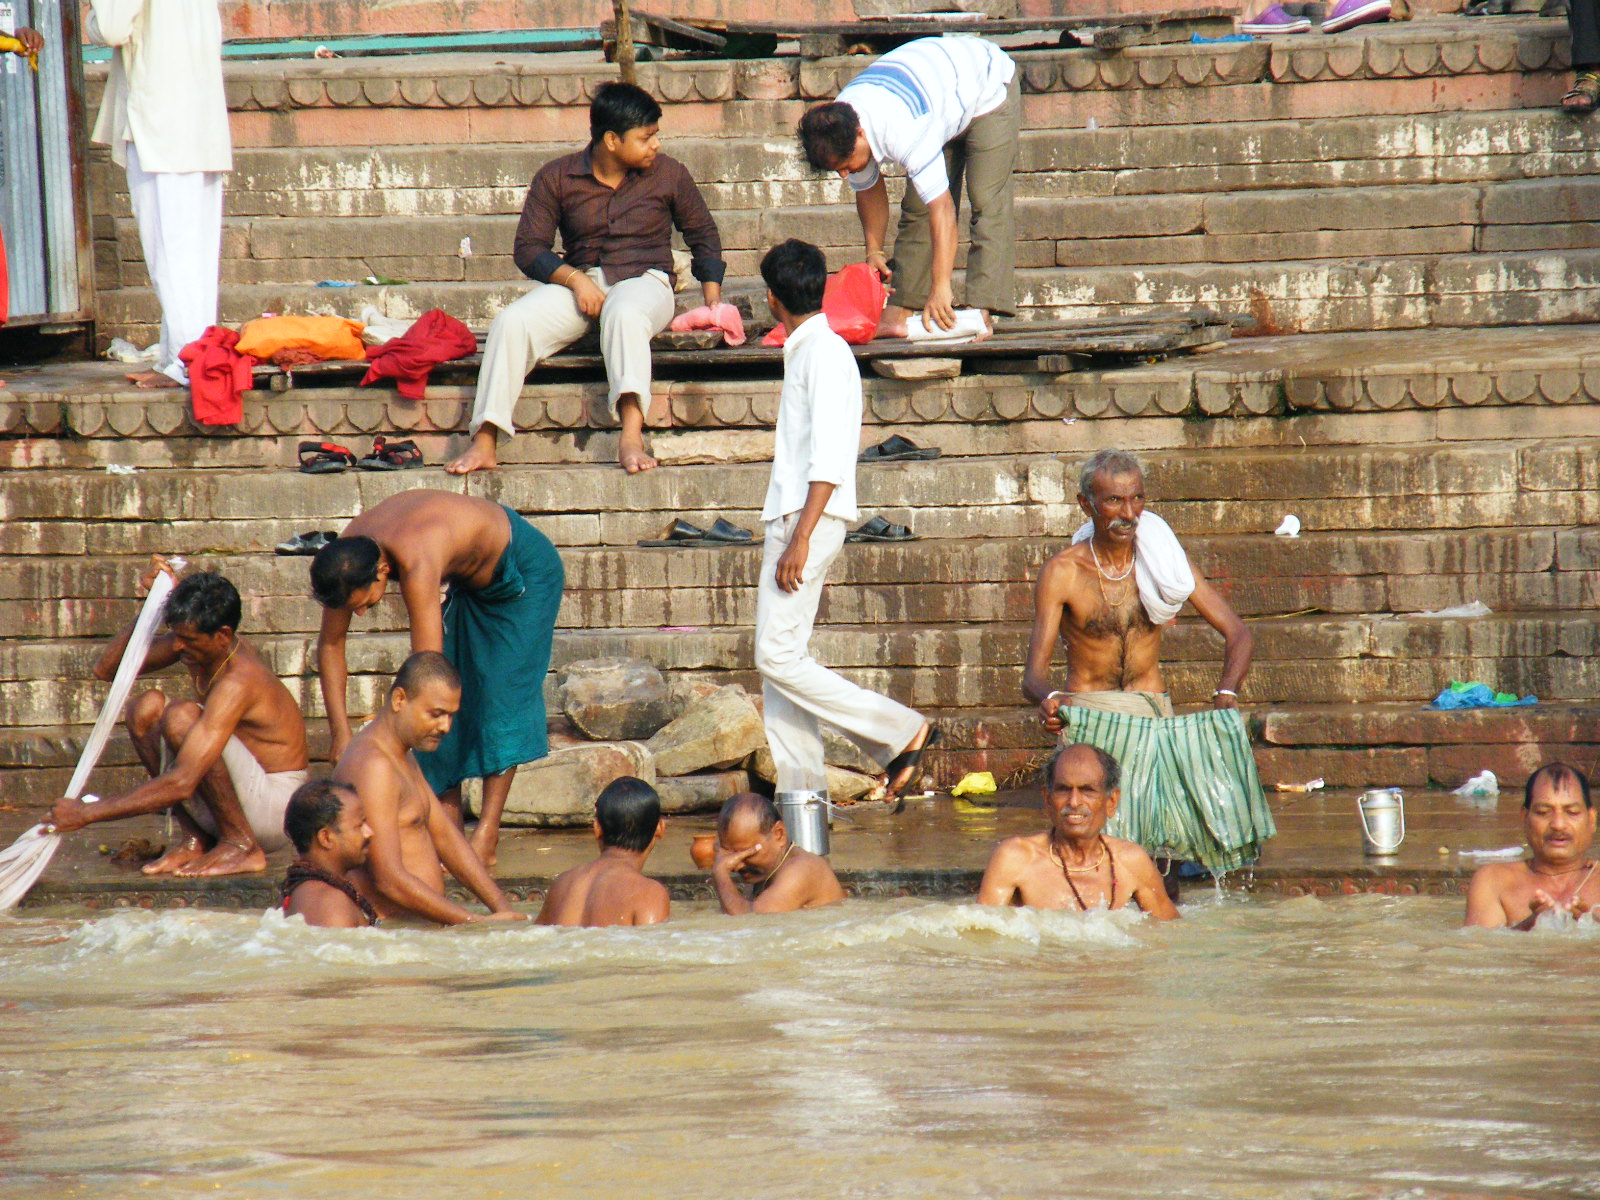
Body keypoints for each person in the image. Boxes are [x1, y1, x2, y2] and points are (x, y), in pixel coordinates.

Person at [446, 81, 726, 475]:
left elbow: (703, 234)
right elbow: (529, 248)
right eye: (646, 138)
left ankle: (631, 434)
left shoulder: (670, 174)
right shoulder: (556, 177)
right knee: (512, 322)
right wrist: (577, 281)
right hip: (581, 282)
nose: (656, 146)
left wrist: (712, 299)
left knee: (625, 313)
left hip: (647, 281)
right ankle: (486, 439)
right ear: (612, 140)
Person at [1021, 449, 1275, 876]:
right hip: (1090, 720)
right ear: (1086, 504)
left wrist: (1227, 693)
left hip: (1155, 717)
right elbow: (1034, 676)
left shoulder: (1163, 561)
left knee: (1162, 864)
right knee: (1099, 858)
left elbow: (1238, 633)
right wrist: (1048, 699)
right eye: (1114, 501)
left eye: (1137, 499)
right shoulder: (1062, 572)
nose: (1129, 513)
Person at [754, 239, 935, 807]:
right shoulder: (807, 349)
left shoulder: (825, 353)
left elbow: (831, 457)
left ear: (770, 299)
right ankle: (801, 801)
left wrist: (800, 538)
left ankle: (899, 729)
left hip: (808, 520)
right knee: (783, 669)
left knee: (775, 657)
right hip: (794, 517)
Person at [311, 490, 564, 868]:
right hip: (470, 580)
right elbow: (330, 645)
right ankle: (450, 827)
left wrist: (389, 736)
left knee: (498, 700)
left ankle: (486, 837)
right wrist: (340, 733)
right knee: (428, 710)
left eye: (364, 603)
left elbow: (428, 669)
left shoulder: (417, 557)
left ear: (382, 572)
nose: (360, 614)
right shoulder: (348, 554)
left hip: (524, 573)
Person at [47, 560, 309, 876]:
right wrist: (154, 606)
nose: (178, 645)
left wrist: (86, 813)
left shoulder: (240, 680)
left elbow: (183, 781)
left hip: (276, 808)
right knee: (145, 707)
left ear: (222, 635)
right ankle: (194, 840)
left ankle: (241, 845)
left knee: (181, 717)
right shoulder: (195, 642)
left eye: (189, 639)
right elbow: (108, 669)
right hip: (239, 795)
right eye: (176, 635)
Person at [797, 36, 1018, 339]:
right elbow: (868, 188)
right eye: (838, 170)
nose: (845, 175)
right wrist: (873, 249)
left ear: (861, 134)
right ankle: (900, 309)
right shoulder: (840, 123)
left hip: (986, 87)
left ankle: (982, 311)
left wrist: (941, 288)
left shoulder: (903, 128)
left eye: (846, 165)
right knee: (916, 210)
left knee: (986, 201)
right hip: (937, 98)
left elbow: (942, 210)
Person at [85, 0, 231, 389]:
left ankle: (186, 365)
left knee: (171, 252)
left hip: (160, 119)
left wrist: (91, 20)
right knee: (193, 255)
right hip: (198, 119)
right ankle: (180, 357)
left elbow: (112, 27)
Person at [332, 651, 526, 925]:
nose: (445, 727)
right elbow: (388, 879)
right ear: (400, 699)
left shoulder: (400, 753)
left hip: (418, 926)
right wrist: (472, 922)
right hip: (391, 933)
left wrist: (502, 908)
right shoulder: (375, 766)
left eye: (451, 716)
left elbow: (444, 834)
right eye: (436, 714)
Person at [977, 744, 1179, 919]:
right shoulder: (1016, 858)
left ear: (1111, 802)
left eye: (1087, 790)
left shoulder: (1130, 861)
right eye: (1063, 789)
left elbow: (1172, 934)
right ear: (1047, 799)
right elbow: (984, 940)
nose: (1074, 802)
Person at [1464, 763, 1599, 930]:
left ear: (1591, 819)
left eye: (1571, 812)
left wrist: (1591, 925)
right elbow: (1478, 950)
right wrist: (1531, 926)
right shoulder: (1493, 881)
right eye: (1543, 812)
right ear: (1524, 818)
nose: (1558, 825)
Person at [536, 776, 670, 927]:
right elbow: (651, 946)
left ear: (597, 828)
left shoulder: (563, 884)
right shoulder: (649, 894)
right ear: (660, 828)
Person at [710, 793, 845, 915]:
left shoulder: (802, 869)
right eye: (729, 854)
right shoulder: (765, 870)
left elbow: (747, 920)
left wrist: (720, 873)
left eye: (746, 854)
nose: (736, 865)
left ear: (779, 834)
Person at [280, 779, 378, 929]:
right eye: (359, 825)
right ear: (326, 838)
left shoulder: (306, 891)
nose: (369, 833)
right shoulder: (330, 903)